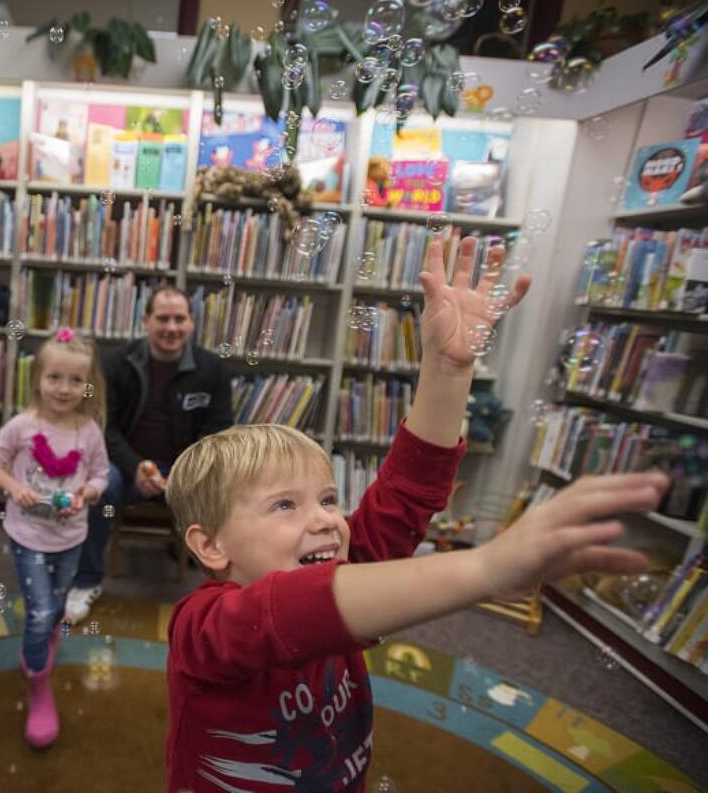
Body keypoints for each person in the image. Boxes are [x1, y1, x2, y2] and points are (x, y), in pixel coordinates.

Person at [161, 237, 662, 792]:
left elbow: (408, 490)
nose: (327, 519)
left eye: (328, 499)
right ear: (211, 546)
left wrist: (448, 369)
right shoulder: (202, 629)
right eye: (284, 505)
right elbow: (291, 611)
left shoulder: (351, 569)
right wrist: (486, 569)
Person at [66, 284, 232, 623]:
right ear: (145, 321)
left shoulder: (211, 369)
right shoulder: (116, 362)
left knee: (226, 493)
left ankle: (220, 592)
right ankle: (86, 581)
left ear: (191, 323)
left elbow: (217, 432)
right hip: (127, 465)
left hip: (186, 469)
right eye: (162, 318)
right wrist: (135, 467)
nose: (171, 327)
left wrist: (181, 474)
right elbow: (103, 427)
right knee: (99, 488)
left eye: (179, 319)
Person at [0, 329, 110, 748]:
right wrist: (13, 488)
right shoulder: (21, 427)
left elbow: (101, 476)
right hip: (28, 535)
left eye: (75, 380)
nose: (64, 388)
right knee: (39, 611)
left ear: (87, 385)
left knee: (56, 602)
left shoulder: (88, 431)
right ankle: (39, 684)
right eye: (54, 377)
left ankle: (48, 631)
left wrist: (86, 493)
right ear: (38, 378)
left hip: (72, 536)